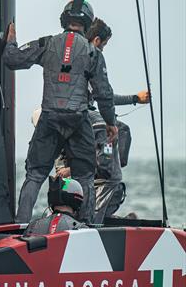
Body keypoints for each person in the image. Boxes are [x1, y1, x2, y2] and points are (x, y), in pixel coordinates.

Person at [3, 0, 118, 224]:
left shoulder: (47, 43)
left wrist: (11, 42)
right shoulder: (93, 52)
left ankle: (19, 226)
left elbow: (12, 60)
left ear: (64, 20)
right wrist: (110, 122)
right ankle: (86, 227)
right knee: (85, 176)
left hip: (49, 118)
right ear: (87, 23)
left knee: (35, 175)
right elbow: (103, 93)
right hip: (78, 119)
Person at [56, 18, 150, 223]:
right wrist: (135, 98)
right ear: (97, 40)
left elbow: (103, 97)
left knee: (120, 132)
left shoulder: (71, 54)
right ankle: (92, 222)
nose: (104, 50)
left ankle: (101, 168)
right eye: (105, 45)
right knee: (112, 175)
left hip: (62, 117)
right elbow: (105, 97)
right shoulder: (91, 58)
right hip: (84, 120)